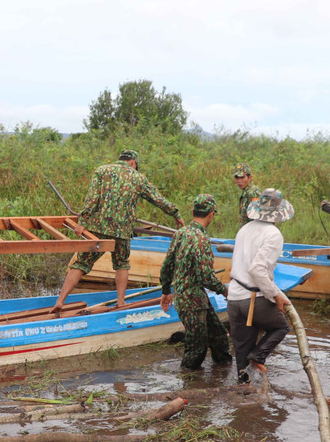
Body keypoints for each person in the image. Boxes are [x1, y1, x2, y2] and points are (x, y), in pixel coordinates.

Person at [53, 149, 184, 310]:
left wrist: (83, 221)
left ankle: (60, 301)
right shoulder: (138, 177)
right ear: (133, 163)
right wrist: (175, 214)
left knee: (81, 263)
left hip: (97, 228)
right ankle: (121, 302)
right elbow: (157, 199)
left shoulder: (102, 170)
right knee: (122, 264)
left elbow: (92, 198)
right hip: (121, 231)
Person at [227, 188, 294, 383]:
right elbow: (257, 270)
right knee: (280, 328)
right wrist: (276, 295)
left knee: (241, 354)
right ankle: (258, 356)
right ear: (278, 212)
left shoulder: (245, 229)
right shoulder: (273, 234)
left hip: (234, 298)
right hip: (253, 299)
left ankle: (244, 395)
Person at [159, 194, 232, 370]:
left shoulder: (180, 233)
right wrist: (225, 291)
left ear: (193, 212)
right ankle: (188, 384)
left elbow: (167, 265)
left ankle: (223, 373)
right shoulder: (201, 239)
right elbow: (205, 276)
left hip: (196, 299)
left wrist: (166, 290)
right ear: (212, 214)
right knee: (196, 349)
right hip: (191, 302)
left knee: (219, 337)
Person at [233, 162, 261, 229]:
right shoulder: (246, 192)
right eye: (237, 177)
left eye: (242, 177)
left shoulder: (253, 193)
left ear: (250, 177)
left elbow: (257, 216)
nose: (239, 181)